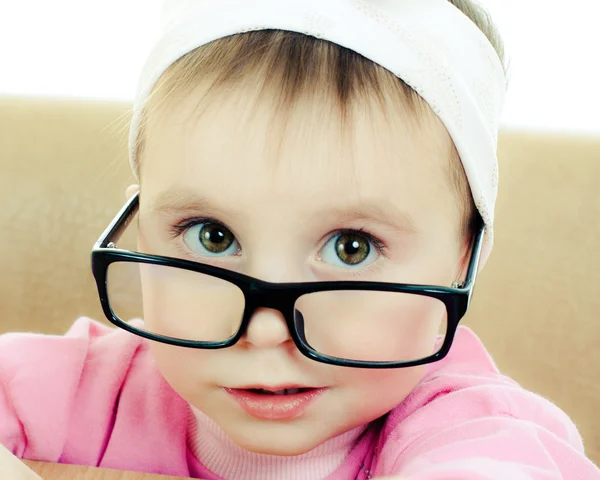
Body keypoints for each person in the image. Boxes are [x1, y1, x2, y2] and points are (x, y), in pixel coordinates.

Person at [1, 0, 599, 478]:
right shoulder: (99, 387)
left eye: (350, 248)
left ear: (463, 258)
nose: (265, 329)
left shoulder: (471, 428)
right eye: (212, 237)